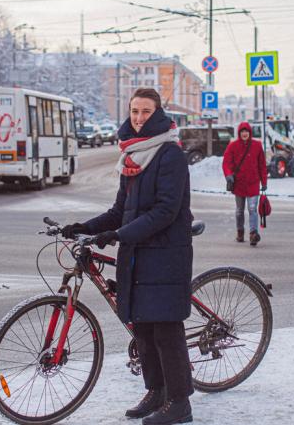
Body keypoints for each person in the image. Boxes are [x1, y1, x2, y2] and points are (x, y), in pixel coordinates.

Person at [60, 88, 195, 424]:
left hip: (165, 253)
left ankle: (180, 403)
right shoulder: (133, 156)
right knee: (143, 328)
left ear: (159, 114)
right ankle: (157, 390)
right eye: (134, 111)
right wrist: (84, 227)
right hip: (138, 252)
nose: (138, 118)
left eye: (146, 112)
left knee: (165, 328)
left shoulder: (169, 155)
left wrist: (118, 235)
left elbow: (165, 211)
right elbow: (121, 209)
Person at [222, 122, 267, 246]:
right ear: (239, 133)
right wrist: (228, 175)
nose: (244, 133)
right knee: (239, 211)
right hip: (239, 184)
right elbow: (226, 162)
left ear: (250, 132)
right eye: (242, 131)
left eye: (246, 131)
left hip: (253, 183)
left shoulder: (257, 145)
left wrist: (264, 182)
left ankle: (253, 234)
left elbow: (262, 165)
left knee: (252, 209)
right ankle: (240, 231)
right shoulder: (233, 146)